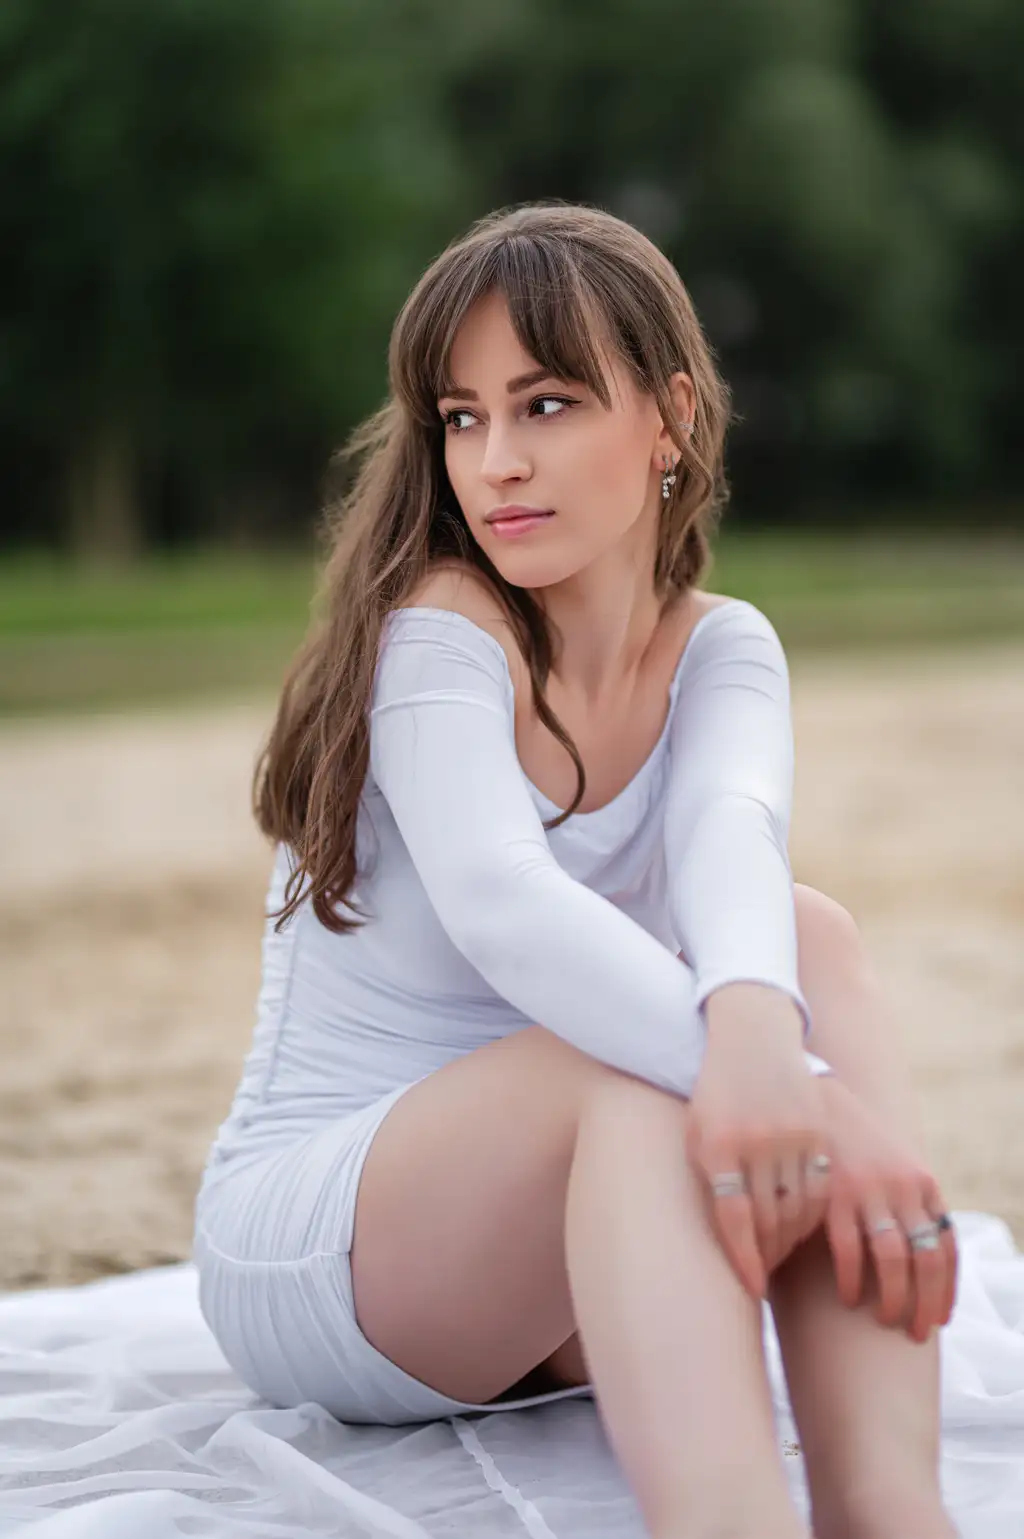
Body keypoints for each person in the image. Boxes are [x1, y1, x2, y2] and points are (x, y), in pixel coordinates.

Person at [193, 202, 959, 1539]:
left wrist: (772, 1051)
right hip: (334, 1246)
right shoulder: (440, 627)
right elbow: (506, 906)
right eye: (464, 417)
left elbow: (730, 840)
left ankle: (888, 1508)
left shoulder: (721, 644)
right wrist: (823, 1108)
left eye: (545, 404)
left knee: (806, 934)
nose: (495, 461)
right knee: (641, 1080)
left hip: (560, 1264)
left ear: (669, 419)